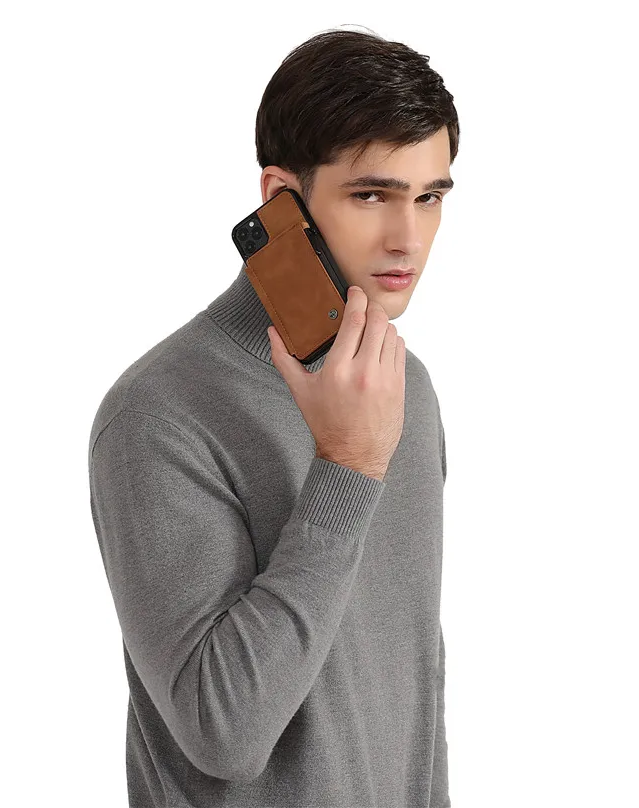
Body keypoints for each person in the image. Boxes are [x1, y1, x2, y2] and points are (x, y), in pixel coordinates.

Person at [88, 25, 460, 808]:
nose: (408, 239)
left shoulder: (407, 390)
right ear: (279, 199)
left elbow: (414, 691)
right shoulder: (156, 414)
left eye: (429, 197)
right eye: (372, 195)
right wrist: (348, 466)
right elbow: (223, 734)